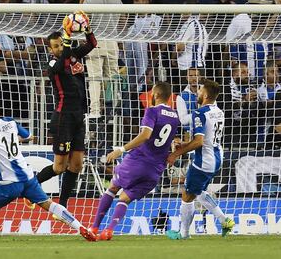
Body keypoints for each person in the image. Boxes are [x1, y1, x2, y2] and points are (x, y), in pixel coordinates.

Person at [0, 96, 96, 243]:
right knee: (49, 205)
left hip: (8, 183)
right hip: (28, 177)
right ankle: (81, 227)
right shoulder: (10, 122)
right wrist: (12, 138)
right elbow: (30, 137)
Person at [89, 82, 180, 240]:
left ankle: (95, 227)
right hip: (155, 170)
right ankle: (109, 230)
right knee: (125, 198)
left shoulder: (152, 111)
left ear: (156, 95)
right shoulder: (175, 117)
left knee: (113, 188)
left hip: (138, 161)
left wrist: (121, 150)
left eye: (152, 93)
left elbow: (145, 135)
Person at [30, 12, 97, 211]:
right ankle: (31, 187)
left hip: (79, 116)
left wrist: (87, 29)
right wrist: (68, 41)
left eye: (61, 43)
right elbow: (61, 63)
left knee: (77, 165)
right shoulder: (52, 64)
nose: (60, 47)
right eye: (56, 45)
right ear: (51, 49)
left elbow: (92, 44)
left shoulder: (74, 54)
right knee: (59, 167)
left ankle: (64, 205)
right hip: (63, 118)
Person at [166, 79, 235, 240]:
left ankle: (183, 234)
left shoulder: (200, 113)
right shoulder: (218, 111)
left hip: (203, 160)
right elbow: (207, 138)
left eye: (199, 90)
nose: (197, 92)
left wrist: (176, 153)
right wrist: (185, 143)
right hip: (217, 157)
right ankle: (225, 221)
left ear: (205, 94)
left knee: (187, 195)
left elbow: (199, 141)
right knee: (199, 192)